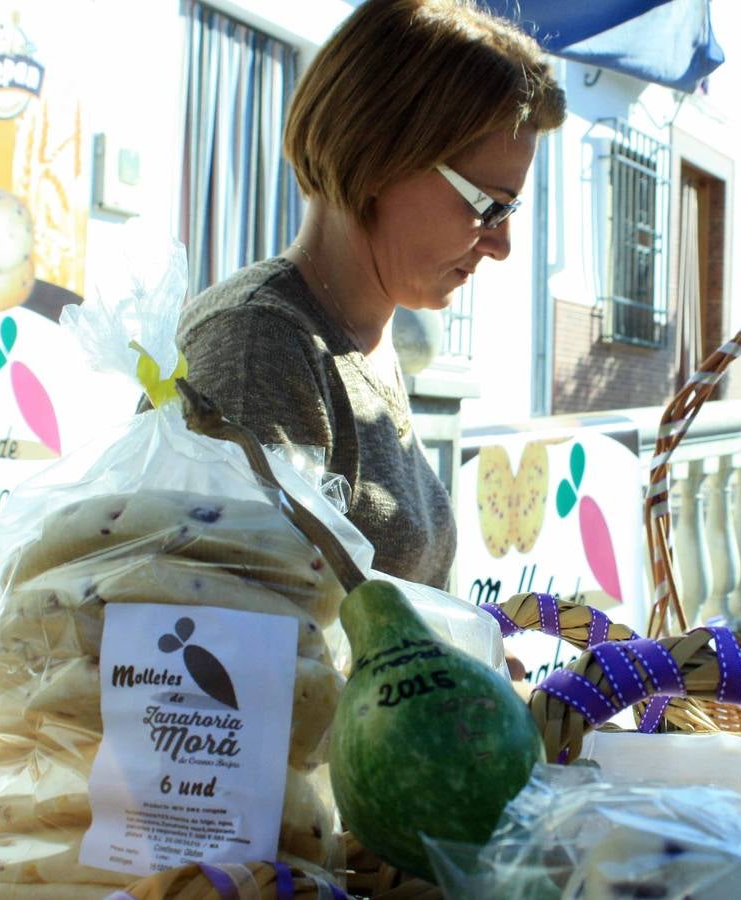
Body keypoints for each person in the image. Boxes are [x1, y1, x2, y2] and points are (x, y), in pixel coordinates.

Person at [164, 0, 565, 589]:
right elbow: (237, 653)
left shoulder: (360, 336)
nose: (501, 244)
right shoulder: (261, 346)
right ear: (380, 160)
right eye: (490, 206)